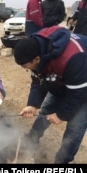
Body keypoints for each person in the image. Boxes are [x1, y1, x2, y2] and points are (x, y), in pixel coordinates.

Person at [13, 25, 87, 164]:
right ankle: (31, 139)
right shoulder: (37, 48)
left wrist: (61, 115)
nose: (25, 69)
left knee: (75, 127)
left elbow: (79, 93)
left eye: (25, 66)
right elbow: (38, 78)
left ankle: (62, 161)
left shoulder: (73, 57)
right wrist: (32, 104)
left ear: (36, 59)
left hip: (83, 86)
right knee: (46, 110)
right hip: (66, 80)